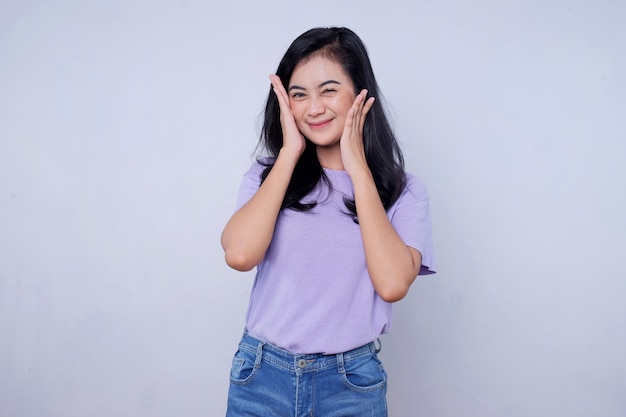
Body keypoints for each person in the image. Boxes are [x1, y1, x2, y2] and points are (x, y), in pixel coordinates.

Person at [221, 26, 436, 417]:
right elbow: (239, 254)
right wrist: (289, 154)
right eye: (299, 94)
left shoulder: (403, 191)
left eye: (329, 90)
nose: (313, 107)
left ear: (361, 94)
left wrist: (358, 171)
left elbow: (391, 284)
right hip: (261, 376)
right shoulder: (267, 175)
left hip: (350, 384)